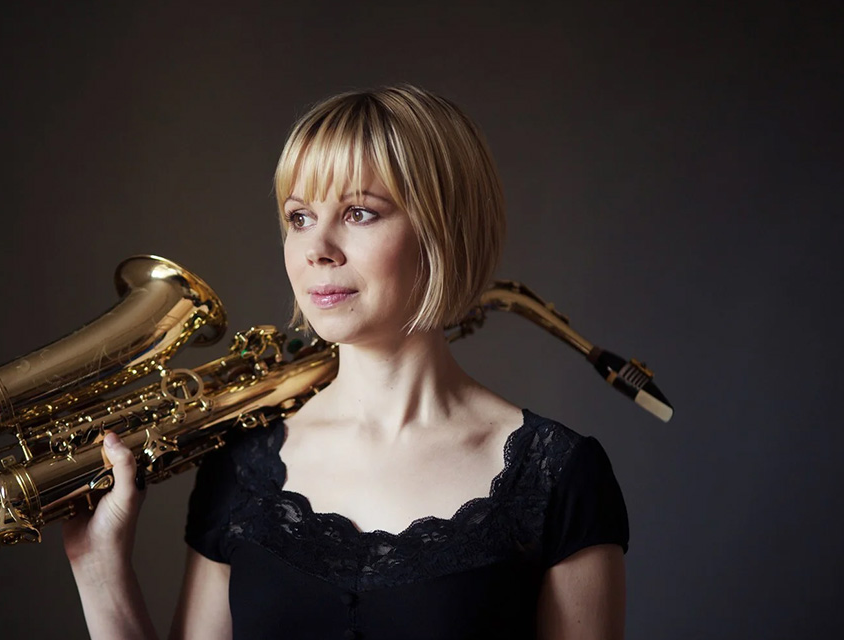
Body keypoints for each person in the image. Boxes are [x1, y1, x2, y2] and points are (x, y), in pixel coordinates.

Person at [63, 84, 629, 640]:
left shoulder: (559, 475)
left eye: (359, 212)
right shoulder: (241, 469)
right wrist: (97, 567)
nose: (317, 248)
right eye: (300, 217)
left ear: (444, 232)